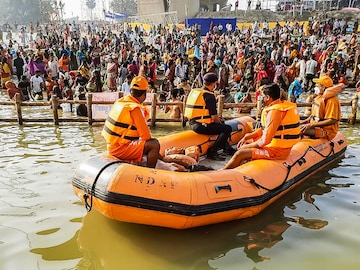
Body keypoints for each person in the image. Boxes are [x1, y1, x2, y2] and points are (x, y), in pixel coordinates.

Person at [222, 83, 301, 169]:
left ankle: (222, 173)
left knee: (240, 153)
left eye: (262, 96)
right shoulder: (280, 105)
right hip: (277, 146)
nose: (260, 99)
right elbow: (267, 129)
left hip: (277, 151)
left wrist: (246, 147)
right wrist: (248, 136)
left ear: (268, 98)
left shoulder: (275, 112)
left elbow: (265, 140)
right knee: (247, 143)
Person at [101, 76, 162, 168]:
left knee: (151, 147)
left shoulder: (121, 102)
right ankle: (151, 173)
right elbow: (146, 136)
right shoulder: (135, 109)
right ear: (144, 94)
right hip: (120, 149)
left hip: (112, 146)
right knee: (154, 144)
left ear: (131, 91)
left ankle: (162, 160)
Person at [184, 72, 235, 161]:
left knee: (221, 124)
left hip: (192, 123)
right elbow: (214, 117)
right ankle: (212, 152)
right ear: (213, 84)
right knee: (227, 128)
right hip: (201, 126)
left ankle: (227, 148)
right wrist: (219, 122)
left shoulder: (196, 91)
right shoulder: (209, 96)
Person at [300, 75, 342, 140]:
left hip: (326, 131)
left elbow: (333, 120)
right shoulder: (319, 97)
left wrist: (311, 125)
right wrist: (304, 122)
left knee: (301, 130)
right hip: (315, 126)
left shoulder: (332, 101)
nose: (315, 86)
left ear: (323, 87)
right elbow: (314, 116)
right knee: (297, 128)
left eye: (317, 85)